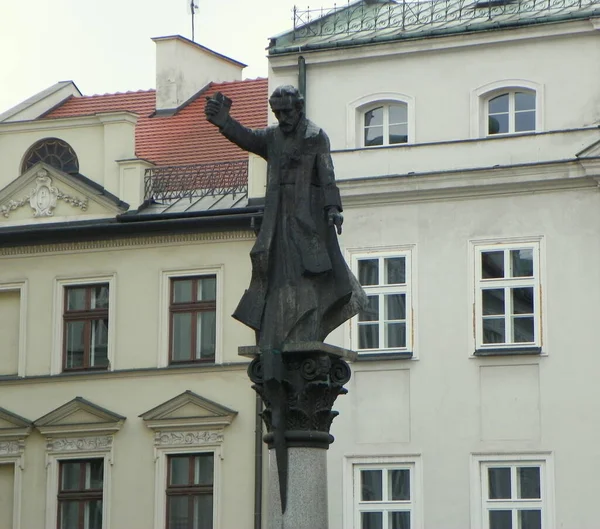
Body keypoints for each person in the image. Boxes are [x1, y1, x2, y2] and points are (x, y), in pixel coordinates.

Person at [205, 85, 365, 350]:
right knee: (274, 267)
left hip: (308, 214)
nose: (283, 118)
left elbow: (327, 174)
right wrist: (224, 121)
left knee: (311, 268)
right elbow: (247, 137)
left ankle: (307, 319)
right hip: (278, 214)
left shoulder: (315, 136)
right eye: (277, 113)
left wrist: (333, 208)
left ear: (299, 108)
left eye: (287, 112)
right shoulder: (273, 137)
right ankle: (277, 322)